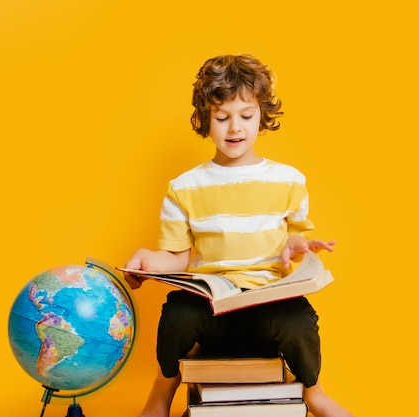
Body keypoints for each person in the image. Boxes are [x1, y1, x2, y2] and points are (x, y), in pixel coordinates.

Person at [124, 54, 353, 417]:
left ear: (262, 115)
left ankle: (315, 393)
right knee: (176, 314)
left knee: (299, 320)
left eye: (246, 116)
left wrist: (298, 246)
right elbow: (178, 257)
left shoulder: (288, 180)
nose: (235, 128)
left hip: (268, 310)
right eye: (222, 117)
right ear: (204, 119)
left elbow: (291, 239)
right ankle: (161, 392)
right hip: (213, 311)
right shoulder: (185, 187)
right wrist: (147, 261)